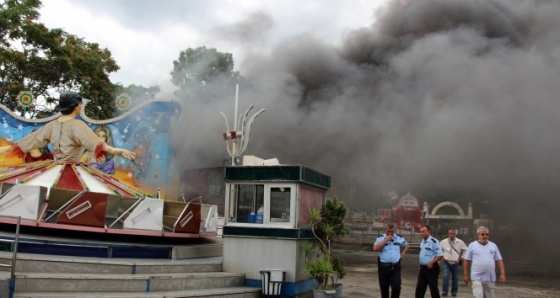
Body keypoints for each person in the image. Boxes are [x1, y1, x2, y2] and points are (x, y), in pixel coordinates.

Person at [0, 92, 135, 162]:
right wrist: (118, 151)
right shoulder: (77, 125)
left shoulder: (51, 125)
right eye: (80, 104)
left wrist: (8, 148)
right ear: (76, 107)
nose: (81, 107)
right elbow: (97, 144)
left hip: (54, 168)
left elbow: (32, 140)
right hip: (71, 170)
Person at [463, 226, 506, 298]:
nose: (485, 236)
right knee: (478, 296)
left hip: (490, 277)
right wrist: (465, 274)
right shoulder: (472, 245)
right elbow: (466, 260)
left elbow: (499, 260)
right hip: (477, 277)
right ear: (478, 235)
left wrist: (502, 274)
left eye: (487, 234)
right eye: (482, 234)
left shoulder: (493, 246)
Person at [373, 223, 410, 298]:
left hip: (395, 266)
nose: (390, 233)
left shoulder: (399, 238)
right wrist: (385, 240)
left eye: (392, 232)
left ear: (395, 231)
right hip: (383, 267)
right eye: (388, 231)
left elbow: (407, 245)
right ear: (386, 230)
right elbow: (375, 248)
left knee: (396, 287)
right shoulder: (380, 238)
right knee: (384, 287)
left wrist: (402, 254)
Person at [415, 224, 443, 298]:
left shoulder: (433, 242)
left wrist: (431, 263)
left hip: (432, 268)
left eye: (423, 232)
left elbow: (440, 255)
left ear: (429, 232)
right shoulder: (422, 242)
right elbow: (423, 255)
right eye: (420, 232)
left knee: (433, 289)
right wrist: (421, 265)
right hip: (423, 268)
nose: (421, 233)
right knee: (419, 289)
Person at [440, 228, 467, 297]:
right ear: (448, 234)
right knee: (446, 276)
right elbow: (439, 250)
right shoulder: (443, 242)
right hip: (447, 262)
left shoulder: (460, 242)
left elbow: (466, 250)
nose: (451, 235)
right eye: (450, 234)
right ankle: (445, 291)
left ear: (455, 234)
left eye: (453, 234)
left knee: (455, 278)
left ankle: (454, 292)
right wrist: (442, 256)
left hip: (456, 262)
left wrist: (462, 257)